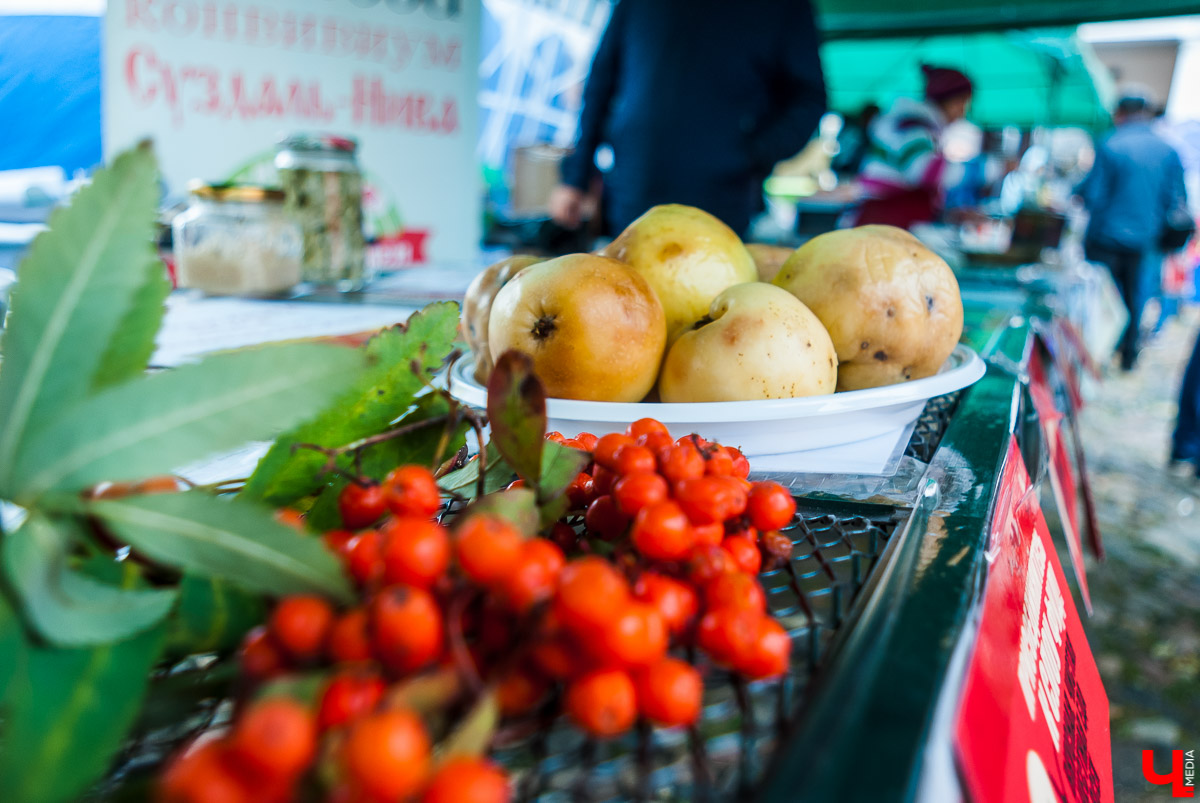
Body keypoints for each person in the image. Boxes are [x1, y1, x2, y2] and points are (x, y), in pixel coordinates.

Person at [549, 0, 827, 239]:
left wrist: (751, 153)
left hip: (719, 199)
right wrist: (576, 178)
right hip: (633, 188)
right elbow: (601, 82)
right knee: (626, 290)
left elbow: (809, 97)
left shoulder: (781, 6)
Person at [1076, 89, 1187, 371]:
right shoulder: (1168, 149)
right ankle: (1128, 355)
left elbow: (1093, 195)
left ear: (1120, 113)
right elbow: (1176, 200)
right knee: (1136, 297)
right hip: (1147, 239)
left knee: (1103, 298)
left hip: (1107, 237)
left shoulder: (1110, 143)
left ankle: (1099, 355)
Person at [853, 65, 973, 230]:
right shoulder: (913, 127)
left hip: (890, 222)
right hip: (884, 222)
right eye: (962, 103)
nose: (963, 112)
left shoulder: (921, 128)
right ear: (948, 101)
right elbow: (925, 171)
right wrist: (986, 169)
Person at [832, 103, 881, 177]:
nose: (871, 121)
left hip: (835, 169)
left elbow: (853, 167)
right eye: (870, 117)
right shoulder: (844, 119)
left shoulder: (866, 141)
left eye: (875, 119)